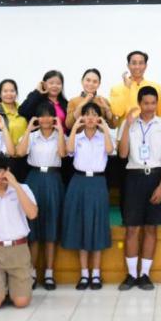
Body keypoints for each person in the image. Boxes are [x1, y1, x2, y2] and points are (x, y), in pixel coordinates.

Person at [118, 87, 161, 291]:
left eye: (153, 103)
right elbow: (123, 154)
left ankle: (145, 275)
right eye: (146, 103)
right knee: (132, 228)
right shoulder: (129, 124)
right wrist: (127, 126)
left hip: (156, 177)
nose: (150, 107)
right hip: (134, 178)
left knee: (151, 228)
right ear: (139, 103)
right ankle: (131, 274)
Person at [0, 154, 38, 310]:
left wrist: (15, 185)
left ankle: (12, 288)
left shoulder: (23, 189)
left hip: (19, 250)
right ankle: (1, 289)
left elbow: (32, 214)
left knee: (21, 302)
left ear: (7, 171)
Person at [15, 103, 66, 291]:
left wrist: (60, 129)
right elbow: (20, 152)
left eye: (49, 115)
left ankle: (49, 274)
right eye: (42, 116)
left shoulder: (60, 136)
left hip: (53, 179)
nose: (45, 119)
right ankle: (32, 273)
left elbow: (63, 153)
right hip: (34, 179)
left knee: (51, 228)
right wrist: (29, 129)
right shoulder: (32, 136)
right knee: (33, 229)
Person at [62, 103, 114, 291]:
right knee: (81, 225)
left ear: (99, 117)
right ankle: (84, 274)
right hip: (79, 181)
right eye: (87, 114)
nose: (91, 118)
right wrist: (75, 127)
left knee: (97, 225)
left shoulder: (104, 136)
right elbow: (68, 151)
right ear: (82, 117)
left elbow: (110, 150)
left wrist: (105, 128)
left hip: (98, 182)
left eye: (94, 114)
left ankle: (96, 274)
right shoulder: (77, 137)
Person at [109, 51, 161, 125]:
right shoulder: (116, 88)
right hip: (126, 131)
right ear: (128, 65)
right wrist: (126, 88)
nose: (137, 67)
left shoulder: (155, 87)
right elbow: (117, 112)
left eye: (141, 63)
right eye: (134, 63)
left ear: (145, 66)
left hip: (151, 130)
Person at [0, 78, 30, 183]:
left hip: (24, 157)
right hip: (5, 159)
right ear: (0, 94)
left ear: (16, 93)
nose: (9, 94)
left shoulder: (23, 110)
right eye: (5, 91)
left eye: (12, 91)